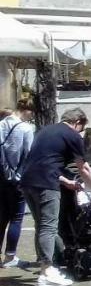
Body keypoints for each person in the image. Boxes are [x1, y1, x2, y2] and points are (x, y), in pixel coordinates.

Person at [18, 108, 91, 286]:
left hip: (28, 181)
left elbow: (43, 161)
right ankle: (47, 270)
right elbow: (83, 168)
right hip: (46, 184)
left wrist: (65, 181)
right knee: (49, 227)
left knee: (41, 225)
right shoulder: (72, 135)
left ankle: (47, 263)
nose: (81, 133)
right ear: (78, 122)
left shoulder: (45, 131)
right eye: (81, 128)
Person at [0, 100, 37, 269]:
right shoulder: (26, 129)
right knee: (16, 218)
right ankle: (10, 256)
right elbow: (30, 154)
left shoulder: (1, 124)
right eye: (32, 113)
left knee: (1, 217)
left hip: (1, 177)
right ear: (27, 111)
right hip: (17, 179)